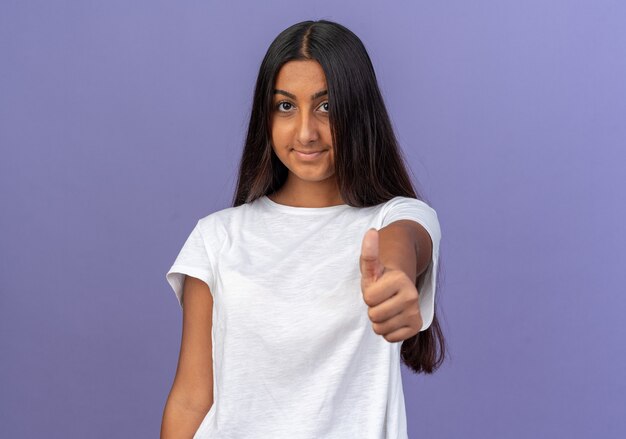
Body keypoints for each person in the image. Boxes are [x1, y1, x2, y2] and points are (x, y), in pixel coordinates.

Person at [160, 19, 445, 439]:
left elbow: (401, 245)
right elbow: (191, 398)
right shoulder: (216, 237)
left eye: (327, 106)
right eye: (286, 106)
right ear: (266, 115)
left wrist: (397, 280)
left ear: (358, 111)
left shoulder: (396, 217)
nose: (306, 132)